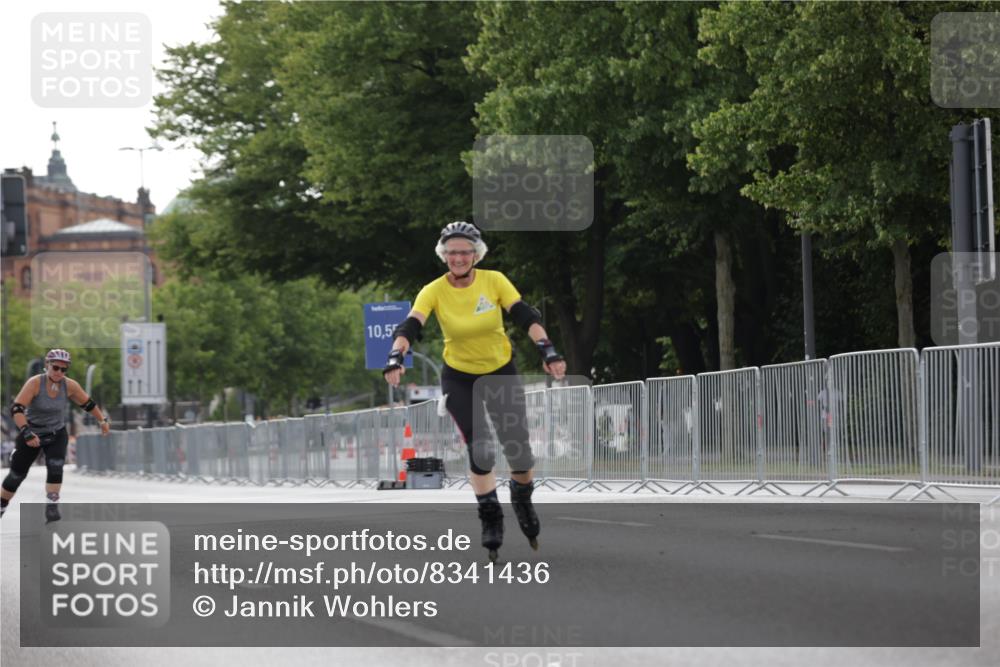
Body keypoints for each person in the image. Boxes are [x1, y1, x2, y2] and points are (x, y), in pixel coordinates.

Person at [384, 222, 567, 561]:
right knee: (479, 447)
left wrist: (549, 351)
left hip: (500, 371)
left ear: (476, 254)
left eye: (465, 251)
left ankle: (522, 498)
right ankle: (490, 515)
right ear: (444, 255)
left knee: (518, 450)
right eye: (452, 252)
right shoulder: (433, 290)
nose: (458, 257)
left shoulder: (494, 280)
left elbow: (525, 315)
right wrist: (395, 357)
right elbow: (410, 325)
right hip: (459, 376)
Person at [2, 349, 111, 522]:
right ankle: (2, 504)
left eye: (63, 369)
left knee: (56, 466)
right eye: (55, 368)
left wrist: (102, 420)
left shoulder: (70, 385)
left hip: (56, 433)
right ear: (47, 365)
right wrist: (27, 432)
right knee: (16, 476)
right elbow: (16, 409)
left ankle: (52, 506)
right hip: (31, 432)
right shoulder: (35, 383)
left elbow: (88, 404)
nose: (59, 372)